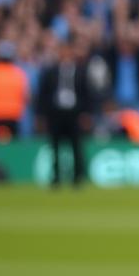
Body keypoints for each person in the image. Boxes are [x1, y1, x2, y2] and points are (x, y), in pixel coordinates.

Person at [35, 36, 90, 186]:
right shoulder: (50, 71)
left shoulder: (80, 71)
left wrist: (86, 113)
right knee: (55, 147)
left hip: (74, 113)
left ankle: (78, 178)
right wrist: (41, 116)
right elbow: (43, 95)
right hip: (56, 113)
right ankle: (56, 177)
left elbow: (86, 94)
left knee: (76, 146)